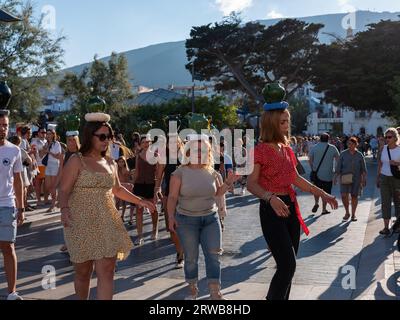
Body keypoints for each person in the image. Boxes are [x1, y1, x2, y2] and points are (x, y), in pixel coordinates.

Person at [247, 96, 338, 300]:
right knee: (288, 265)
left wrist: (323, 194)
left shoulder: (287, 149)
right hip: (271, 209)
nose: (288, 125)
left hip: (289, 208)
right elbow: (251, 183)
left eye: (288, 121)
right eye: (283, 122)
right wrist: (270, 198)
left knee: (289, 266)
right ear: (272, 124)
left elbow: (295, 178)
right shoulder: (259, 150)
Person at [59, 112, 155, 300]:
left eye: (109, 137)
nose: (107, 141)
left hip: (107, 219)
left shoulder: (111, 162)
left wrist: (140, 201)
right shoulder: (76, 160)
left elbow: (117, 190)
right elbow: (63, 190)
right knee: (83, 272)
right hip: (80, 221)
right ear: (90, 136)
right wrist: (64, 210)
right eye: (102, 136)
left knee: (107, 270)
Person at [167, 135, 240, 300]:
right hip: (186, 221)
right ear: (187, 152)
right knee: (191, 258)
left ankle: (215, 292)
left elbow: (217, 193)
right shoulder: (179, 173)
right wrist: (171, 217)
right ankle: (192, 288)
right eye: (195, 149)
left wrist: (228, 183)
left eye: (203, 150)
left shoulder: (212, 172)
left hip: (210, 218)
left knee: (214, 256)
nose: (199, 153)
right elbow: (172, 197)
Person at [0, 112, 25, 300]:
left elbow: (18, 181)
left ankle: (12, 292)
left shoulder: (14, 150)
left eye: (5, 125)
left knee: (8, 247)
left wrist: (21, 207)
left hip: (7, 205)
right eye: (0, 125)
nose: (3, 128)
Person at [160, 135, 185, 269]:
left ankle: (182, 255)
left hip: (185, 197)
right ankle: (179, 252)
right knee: (172, 228)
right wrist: (157, 193)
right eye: (170, 142)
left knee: (184, 227)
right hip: (170, 196)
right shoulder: (165, 157)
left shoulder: (185, 157)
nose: (173, 144)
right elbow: (159, 177)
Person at [133, 135, 163, 246]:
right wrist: (132, 184)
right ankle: (140, 236)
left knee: (153, 209)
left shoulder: (156, 155)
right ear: (140, 144)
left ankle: (155, 229)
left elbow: (159, 174)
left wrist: (157, 187)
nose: (146, 144)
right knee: (139, 210)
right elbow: (136, 171)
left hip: (151, 184)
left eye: (148, 142)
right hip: (139, 184)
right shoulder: (138, 156)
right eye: (144, 142)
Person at [334, 137, 367, 222]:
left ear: (356, 144)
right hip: (344, 177)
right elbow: (338, 167)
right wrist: (335, 177)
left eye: (352, 144)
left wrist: (364, 179)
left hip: (356, 178)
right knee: (344, 195)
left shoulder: (359, 155)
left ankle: (353, 214)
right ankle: (347, 212)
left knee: (354, 196)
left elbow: (363, 169)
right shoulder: (343, 154)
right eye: (348, 144)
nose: (350, 145)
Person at [58, 131, 81, 253]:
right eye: (69, 140)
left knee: (77, 218)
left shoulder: (81, 155)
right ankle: (68, 242)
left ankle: (75, 242)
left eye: (73, 140)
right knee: (66, 217)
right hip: (67, 190)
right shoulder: (65, 155)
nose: (71, 142)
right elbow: (61, 172)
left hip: (79, 191)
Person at [309, 133, 340, 215]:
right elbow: (338, 160)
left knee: (316, 190)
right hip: (328, 175)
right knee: (326, 192)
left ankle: (316, 203)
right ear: (328, 139)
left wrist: (313, 168)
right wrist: (336, 171)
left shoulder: (314, 147)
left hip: (317, 174)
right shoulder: (333, 148)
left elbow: (310, 159)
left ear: (320, 139)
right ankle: (324, 209)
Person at [376, 128, 400, 235]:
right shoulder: (383, 148)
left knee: (398, 203)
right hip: (384, 177)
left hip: (397, 179)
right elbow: (380, 163)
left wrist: (397, 164)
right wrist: (378, 176)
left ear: (395, 138)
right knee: (385, 202)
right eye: (386, 137)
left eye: (389, 137)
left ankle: (398, 226)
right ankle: (386, 228)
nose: (387, 139)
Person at [43, 128, 62, 212]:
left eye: (50, 133)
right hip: (48, 165)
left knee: (53, 186)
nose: (48, 135)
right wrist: (44, 150)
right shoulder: (46, 143)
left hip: (54, 165)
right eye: (47, 133)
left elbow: (58, 156)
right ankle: (56, 199)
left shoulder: (56, 144)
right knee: (47, 185)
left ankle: (53, 205)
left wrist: (49, 152)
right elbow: (41, 155)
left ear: (53, 134)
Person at [31, 127, 47, 207]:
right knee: (38, 183)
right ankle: (38, 200)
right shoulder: (34, 142)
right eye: (42, 132)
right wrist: (34, 164)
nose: (44, 134)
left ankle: (45, 199)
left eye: (45, 132)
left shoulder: (46, 141)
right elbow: (33, 154)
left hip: (46, 165)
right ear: (38, 133)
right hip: (38, 164)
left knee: (46, 183)